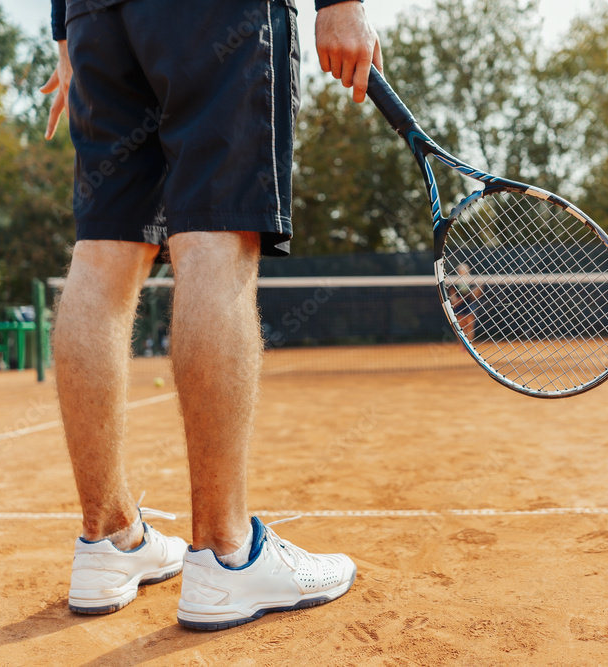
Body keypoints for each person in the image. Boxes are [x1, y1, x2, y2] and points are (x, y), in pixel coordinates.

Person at [42, 0, 382, 630]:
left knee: (101, 253)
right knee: (216, 238)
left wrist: (66, 36)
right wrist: (340, 4)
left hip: (96, 18)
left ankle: (107, 542)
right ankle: (226, 555)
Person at [450, 263, 483, 340]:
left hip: (469, 305)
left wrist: (477, 290)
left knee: (469, 326)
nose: (463, 273)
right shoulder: (454, 284)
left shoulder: (472, 282)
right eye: (461, 271)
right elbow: (453, 302)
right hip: (459, 307)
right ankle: (462, 345)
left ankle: (469, 344)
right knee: (460, 327)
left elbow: (475, 296)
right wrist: (463, 297)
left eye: (465, 272)